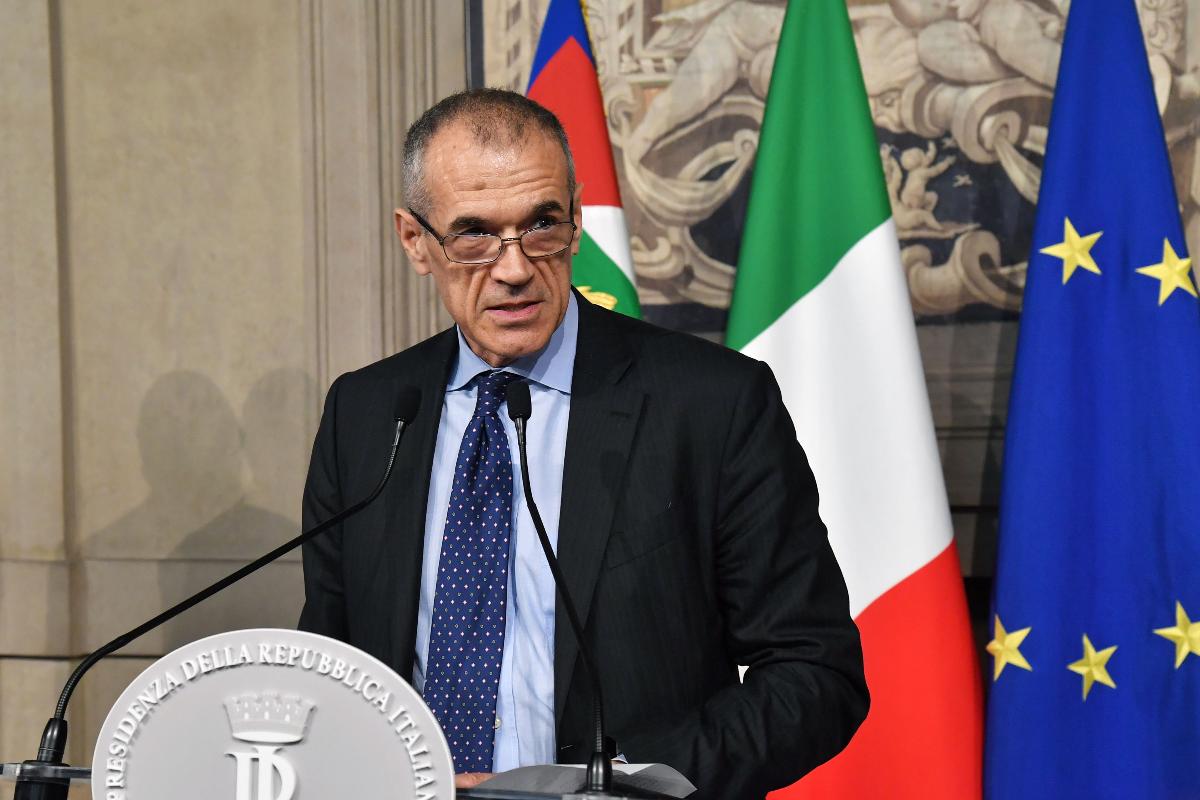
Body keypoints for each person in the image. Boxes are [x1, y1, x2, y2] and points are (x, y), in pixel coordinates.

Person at [298, 88, 867, 798]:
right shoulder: (367, 413)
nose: (513, 269)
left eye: (541, 225)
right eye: (474, 235)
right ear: (416, 240)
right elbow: (326, 669)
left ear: (574, 224)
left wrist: (628, 785)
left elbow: (815, 673)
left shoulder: (710, 404)